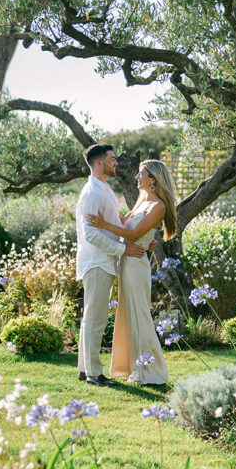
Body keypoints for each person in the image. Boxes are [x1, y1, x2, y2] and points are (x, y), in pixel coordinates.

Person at [86, 160, 178, 384]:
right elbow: (124, 224)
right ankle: (134, 368)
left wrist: (102, 224)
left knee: (140, 315)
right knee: (128, 315)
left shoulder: (158, 206)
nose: (137, 177)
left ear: (152, 179)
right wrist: (106, 219)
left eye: (141, 174)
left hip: (137, 265)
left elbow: (134, 232)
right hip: (127, 262)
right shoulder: (142, 202)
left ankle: (151, 371)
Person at [76, 144, 149, 386]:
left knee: (93, 317)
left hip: (104, 261)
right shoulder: (93, 193)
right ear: (99, 163)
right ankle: (94, 374)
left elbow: (115, 222)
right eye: (112, 159)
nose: (116, 162)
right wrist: (123, 249)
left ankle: (85, 369)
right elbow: (92, 235)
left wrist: (146, 236)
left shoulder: (104, 189)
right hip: (97, 262)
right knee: (95, 319)